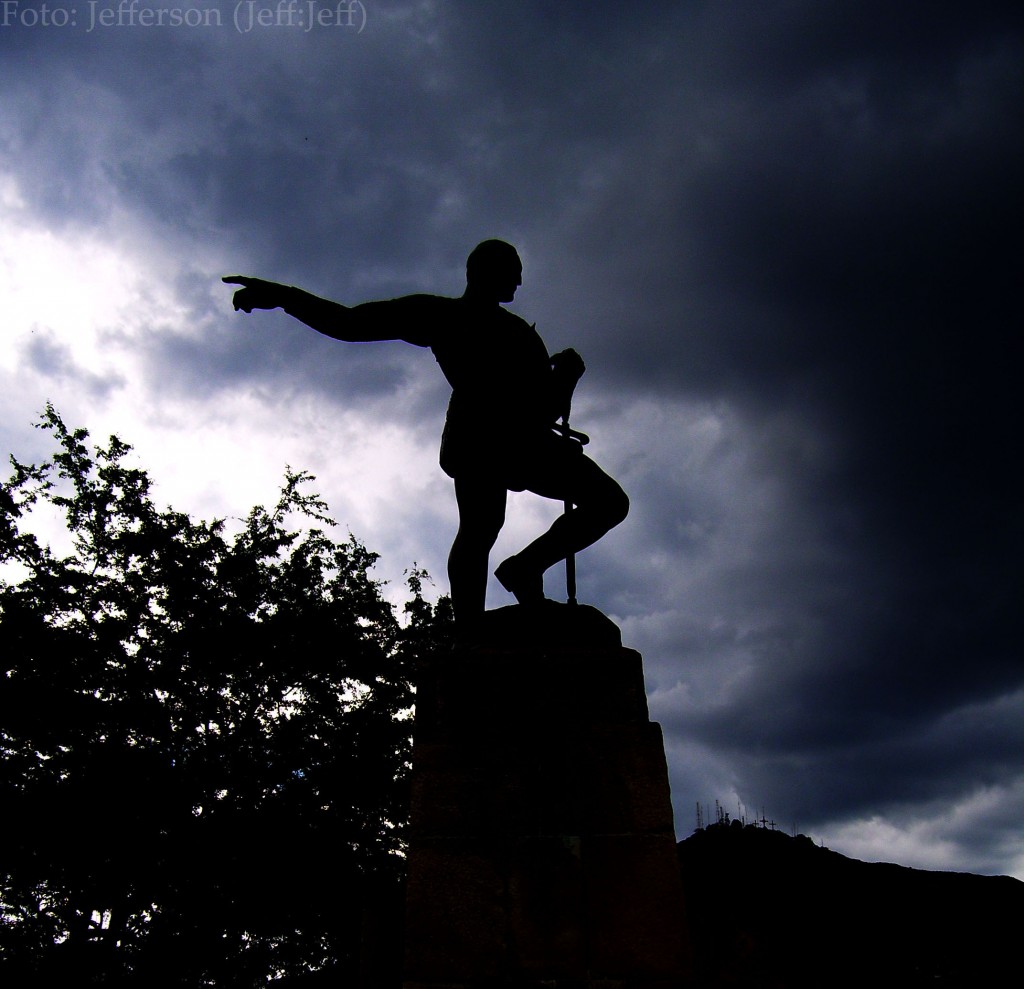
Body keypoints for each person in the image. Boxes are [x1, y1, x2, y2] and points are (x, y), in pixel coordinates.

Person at [224, 239, 628, 626]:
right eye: (513, 272)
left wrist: (566, 379)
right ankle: (470, 625)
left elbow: (541, 410)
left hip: (521, 440)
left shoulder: (521, 333)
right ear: (483, 272)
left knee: (607, 502)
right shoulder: (442, 315)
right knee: (482, 527)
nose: (519, 283)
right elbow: (347, 322)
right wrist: (283, 296)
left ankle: (524, 568)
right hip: (480, 438)